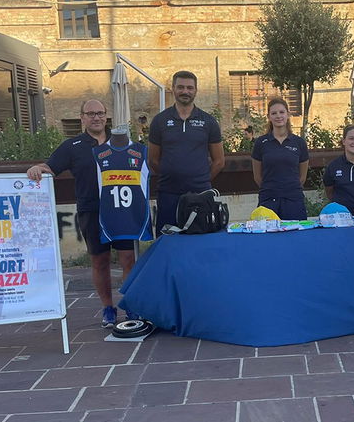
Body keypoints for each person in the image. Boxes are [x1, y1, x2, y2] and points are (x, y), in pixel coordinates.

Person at [26, 100, 136, 328]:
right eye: (91, 114)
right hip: (91, 211)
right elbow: (50, 167)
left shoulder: (122, 142)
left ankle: (132, 305)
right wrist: (37, 168)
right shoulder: (73, 145)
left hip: (121, 209)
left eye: (100, 113)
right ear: (82, 118)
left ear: (106, 117)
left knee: (128, 259)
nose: (96, 117)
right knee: (100, 260)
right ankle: (108, 308)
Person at [148, 71, 225, 234]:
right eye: (181, 87)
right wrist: (171, 176)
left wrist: (200, 179)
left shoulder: (208, 121)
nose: (185, 91)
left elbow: (219, 161)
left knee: (200, 243)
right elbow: (153, 160)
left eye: (190, 88)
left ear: (196, 90)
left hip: (201, 195)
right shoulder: (159, 121)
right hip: (168, 194)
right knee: (167, 242)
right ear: (173, 89)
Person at [251, 97, 309, 220]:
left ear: (288, 114)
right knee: (269, 238)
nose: (278, 116)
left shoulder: (299, 143)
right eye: (274, 113)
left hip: (293, 200)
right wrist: (272, 189)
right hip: (268, 200)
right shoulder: (261, 143)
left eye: (282, 112)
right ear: (269, 117)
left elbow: (302, 177)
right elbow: (257, 177)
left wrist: (288, 189)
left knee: (295, 237)